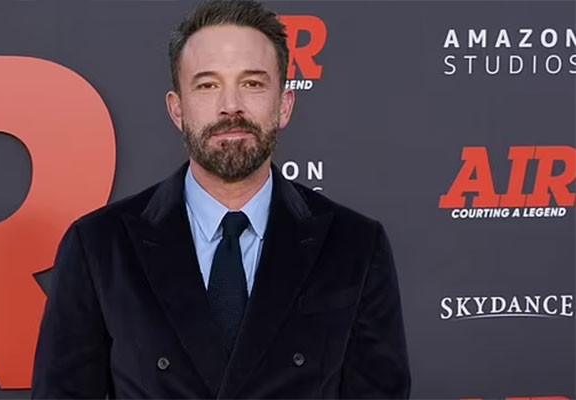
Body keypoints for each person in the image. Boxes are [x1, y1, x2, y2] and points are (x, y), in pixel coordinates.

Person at [31, 0, 411, 398]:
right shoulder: (100, 247)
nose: (231, 106)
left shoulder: (354, 246)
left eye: (252, 84)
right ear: (177, 110)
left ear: (284, 106)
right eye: (207, 85)